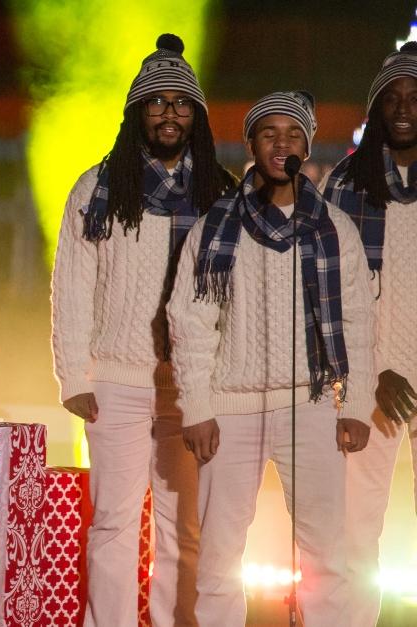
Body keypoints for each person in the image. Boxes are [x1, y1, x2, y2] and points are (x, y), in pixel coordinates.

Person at [167, 91, 374, 627]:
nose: (281, 143)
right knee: (218, 557)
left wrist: (354, 404)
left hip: (309, 404)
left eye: (292, 134)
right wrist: (196, 407)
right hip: (230, 409)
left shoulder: (334, 228)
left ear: (305, 145)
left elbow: (357, 321)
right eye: (268, 133)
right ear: (251, 144)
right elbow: (189, 321)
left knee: (327, 553)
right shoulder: (215, 227)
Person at [50, 33, 234, 626]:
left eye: (181, 103)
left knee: (184, 528)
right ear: (137, 112)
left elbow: (232, 298)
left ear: (197, 116)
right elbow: (72, 287)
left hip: (191, 388)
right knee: (113, 523)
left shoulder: (221, 194)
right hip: (117, 379)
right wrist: (73, 374)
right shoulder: (97, 189)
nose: (169, 113)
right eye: (156, 102)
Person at [322, 42, 417, 627]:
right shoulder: (346, 185)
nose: (405, 108)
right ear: (377, 108)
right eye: (393, 98)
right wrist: (369, 370)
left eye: (416, 98)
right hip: (369, 382)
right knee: (354, 532)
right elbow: (330, 297)